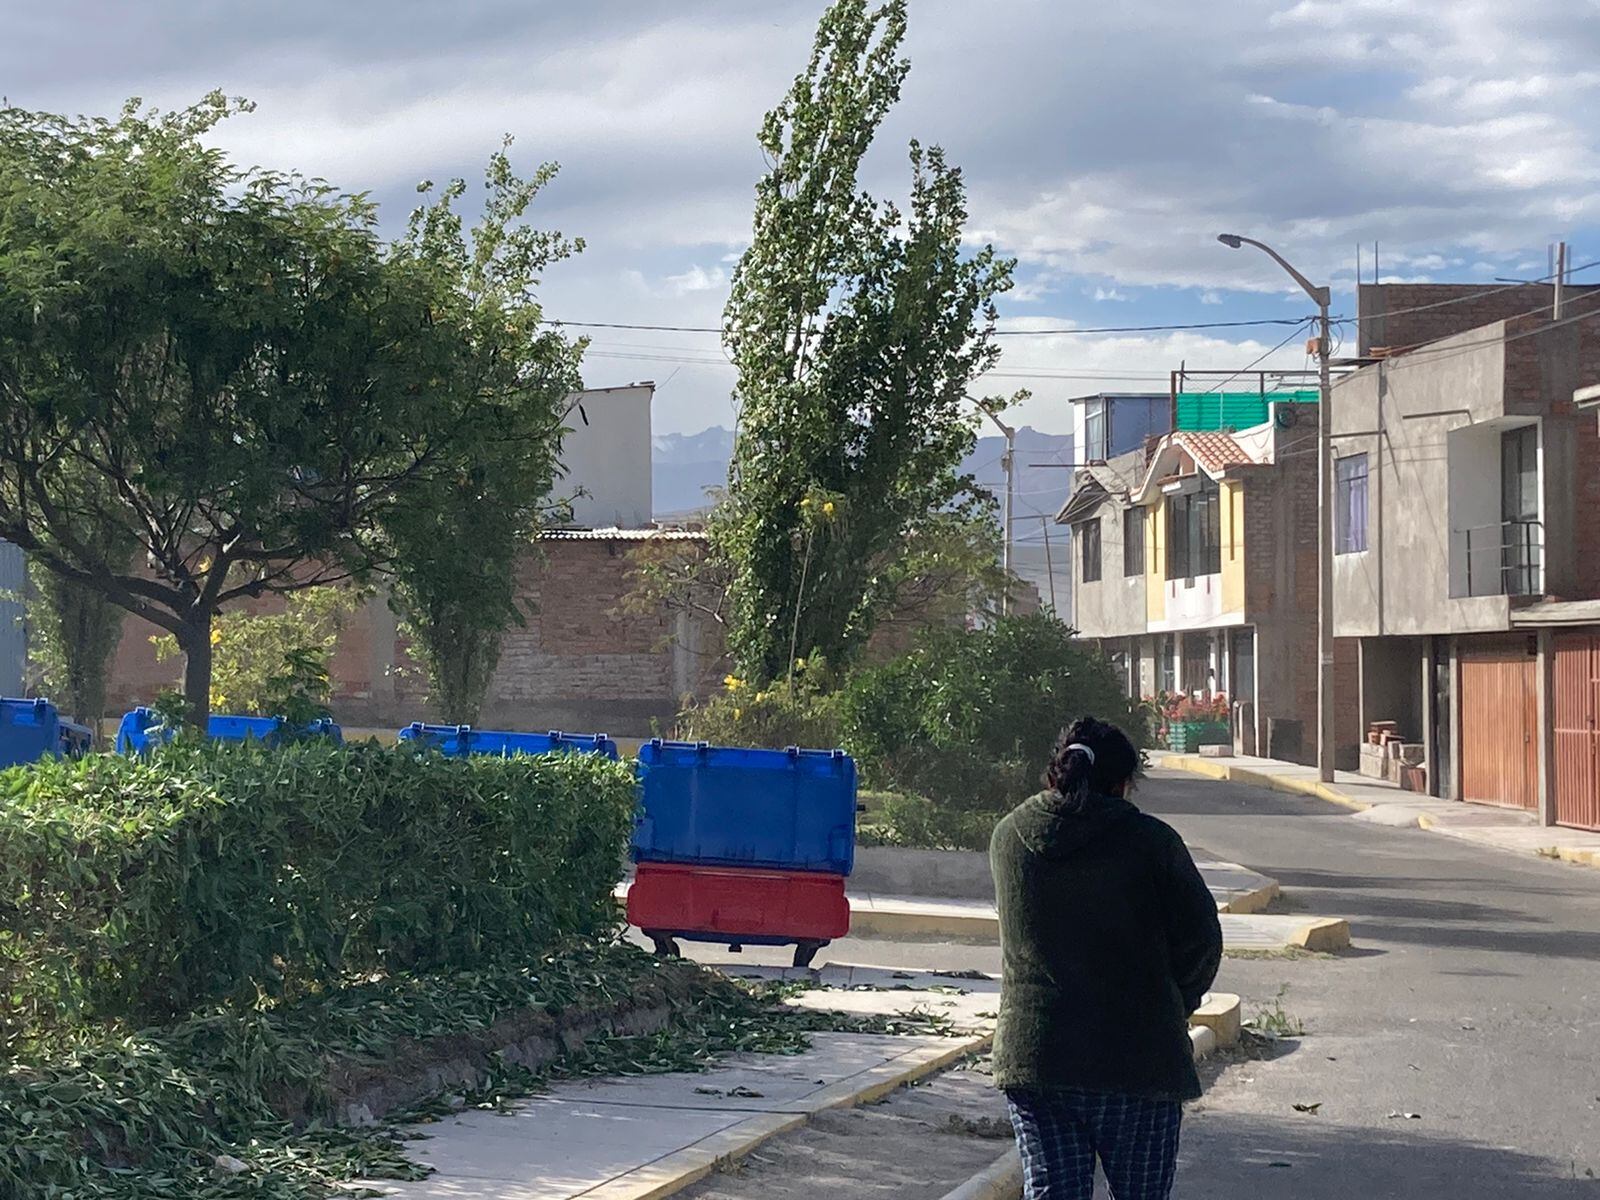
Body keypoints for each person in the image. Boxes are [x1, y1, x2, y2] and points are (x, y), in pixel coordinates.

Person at [990, 716, 1223, 1199]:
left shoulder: (1010, 837)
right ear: (1122, 783)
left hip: (1039, 1060)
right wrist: (1173, 1006)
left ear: (1056, 771)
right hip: (1138, 1063)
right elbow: (1202, 940)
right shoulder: (1153, 844)